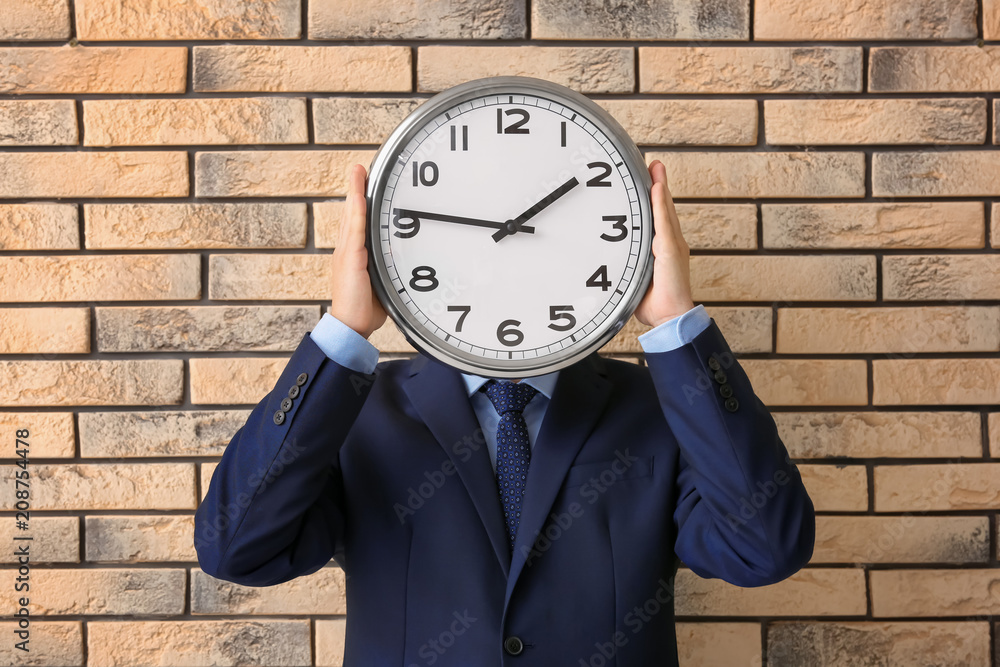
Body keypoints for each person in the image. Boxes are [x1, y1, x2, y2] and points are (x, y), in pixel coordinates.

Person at [194, 159, 815, 666]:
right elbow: (237, 550)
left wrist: (676, 329)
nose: (505, 261)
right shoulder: (357, 409)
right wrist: (344, 333)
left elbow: (765, 548)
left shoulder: (658, 404)